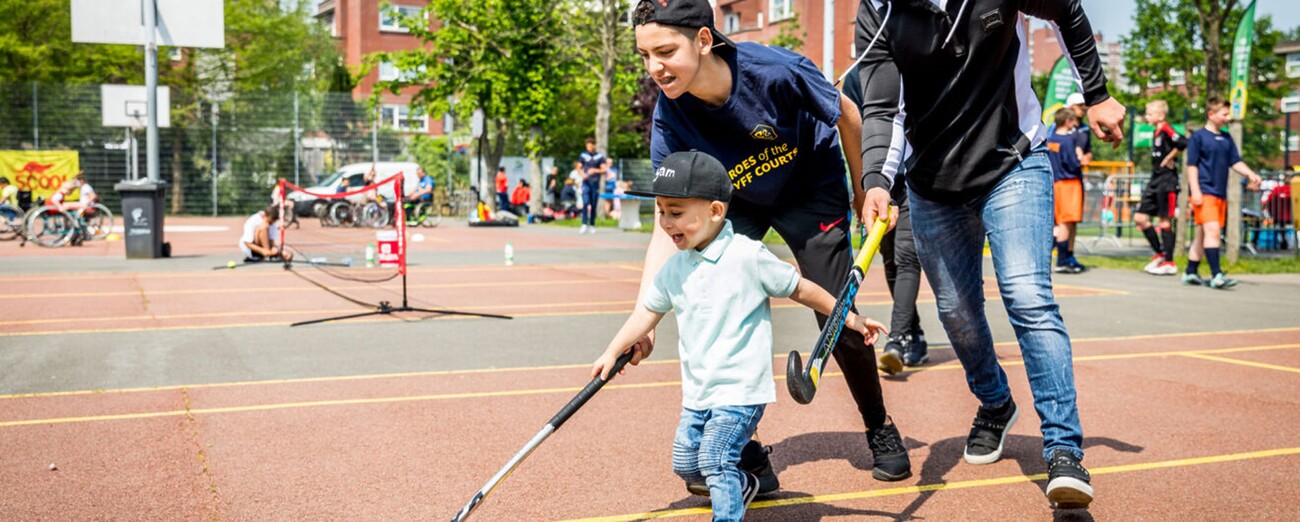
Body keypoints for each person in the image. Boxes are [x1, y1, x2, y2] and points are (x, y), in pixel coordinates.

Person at [854, 0, 1129, 509]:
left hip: (1013, 162)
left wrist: (1097, 94)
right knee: (957, 313)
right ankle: (996, 403)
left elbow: (1065, 9)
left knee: (1028, 295)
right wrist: (876, 181)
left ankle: (1064, 450)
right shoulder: (879, 9)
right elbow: (882, 107)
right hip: (932, 181)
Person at [628, 0, 913, 490]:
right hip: (735, 200)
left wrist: (866, 188)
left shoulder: (775, 71)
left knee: (836, 310)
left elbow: (847, 112)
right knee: (717, 305)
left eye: (665, 51)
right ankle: (748, 452)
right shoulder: (670, 119)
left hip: (810, 187)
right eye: (645, 55)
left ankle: (879, 426)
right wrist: (643, 319)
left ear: (702, 40)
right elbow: (667, 224)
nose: (655, 68)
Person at [592, 151, 888, 518]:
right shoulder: (674, 269)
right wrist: (612, 350)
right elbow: (646, 313)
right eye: (662, 211)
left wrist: (850, 318)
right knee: (687, 464)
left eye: (677, 212)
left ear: (716, 211)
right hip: (699, 392)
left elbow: (801, 289)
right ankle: (745, 485)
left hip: (740, 390)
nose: (667, 223)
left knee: (715, 459)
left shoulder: (748, 257)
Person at [842, 63, 928, 372]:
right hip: (879, 181)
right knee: (890, 259)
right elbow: (855, 131)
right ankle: (914, 334)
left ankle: (898, 338)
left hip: (915, 177)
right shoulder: (857, 78)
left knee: (907, 256)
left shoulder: (918, 64)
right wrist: (862, 187)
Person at [1183, 97, 1262, 289]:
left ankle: (1190, 271)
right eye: (1224, 114)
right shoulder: (1199, 137)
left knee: (1203, 234)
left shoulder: (1226, 139)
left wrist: (1251, 173)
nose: (1228, 117)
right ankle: (1216, 274)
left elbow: (1235, 161)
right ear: (1211, 114)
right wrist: (1195, 191)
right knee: (1213, 231)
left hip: (1220, 193)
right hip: (1204, 190)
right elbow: (1191, 166)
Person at [1135, 100, 1187, 275]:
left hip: (1167, 181)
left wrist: (1169, 158)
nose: (1146, 117)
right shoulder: (1156, 132)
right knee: (1140, 217)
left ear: (1161, 116)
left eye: (1150, 113)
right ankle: (1160, 253)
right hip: (1155, 180)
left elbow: (1182, 142)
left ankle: (1170, 262)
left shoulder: (1166, 129)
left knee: (1165, 220)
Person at [1048, 109, 1088, 274]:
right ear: (1068, 122)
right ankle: (1063, 259)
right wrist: (1079, 156)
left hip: (1055, 182)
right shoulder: (1068, 140)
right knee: (1066, 221)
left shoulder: (1051, 139)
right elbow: (1073, 163)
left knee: (1059, 221)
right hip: (1069, 183)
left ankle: (1056, 253)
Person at [579, 138, 607, 234]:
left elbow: (604, 170)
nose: (590, 148)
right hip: (586, 183)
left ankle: (592, 224)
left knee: (593, 204)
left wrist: (595, 170)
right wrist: (582, 174)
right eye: (588, 146)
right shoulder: (583, 155)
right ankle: (584, 224)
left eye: (591, 146)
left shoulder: (599, 157)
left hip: (595, 183)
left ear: (594, 146)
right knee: (586, 203)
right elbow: (579, 167)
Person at [1066, 92, 1093, 167]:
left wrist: (1086, 158)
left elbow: (1088, 149)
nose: (1084, 108)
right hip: (1060, 173)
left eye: (1085, 105)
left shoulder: (1085, 128)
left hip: (1076, 172)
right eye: (1080, 105)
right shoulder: (1059, 126)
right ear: (1070, 107)